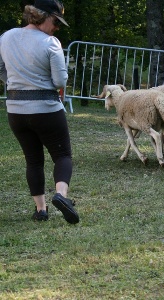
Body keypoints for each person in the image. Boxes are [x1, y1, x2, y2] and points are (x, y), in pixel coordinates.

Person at [0, 0, 79, 224]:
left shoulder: (6, 37)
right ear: (41, 16)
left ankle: (41, 210)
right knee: (62, 156)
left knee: (33, 160)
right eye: (56, 21)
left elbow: (0, 68)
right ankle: (61, 196)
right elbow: (59, 81)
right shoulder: (51, 43)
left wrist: (19, 84)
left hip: (16, 111)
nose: (57, 28)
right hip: (46, 110)